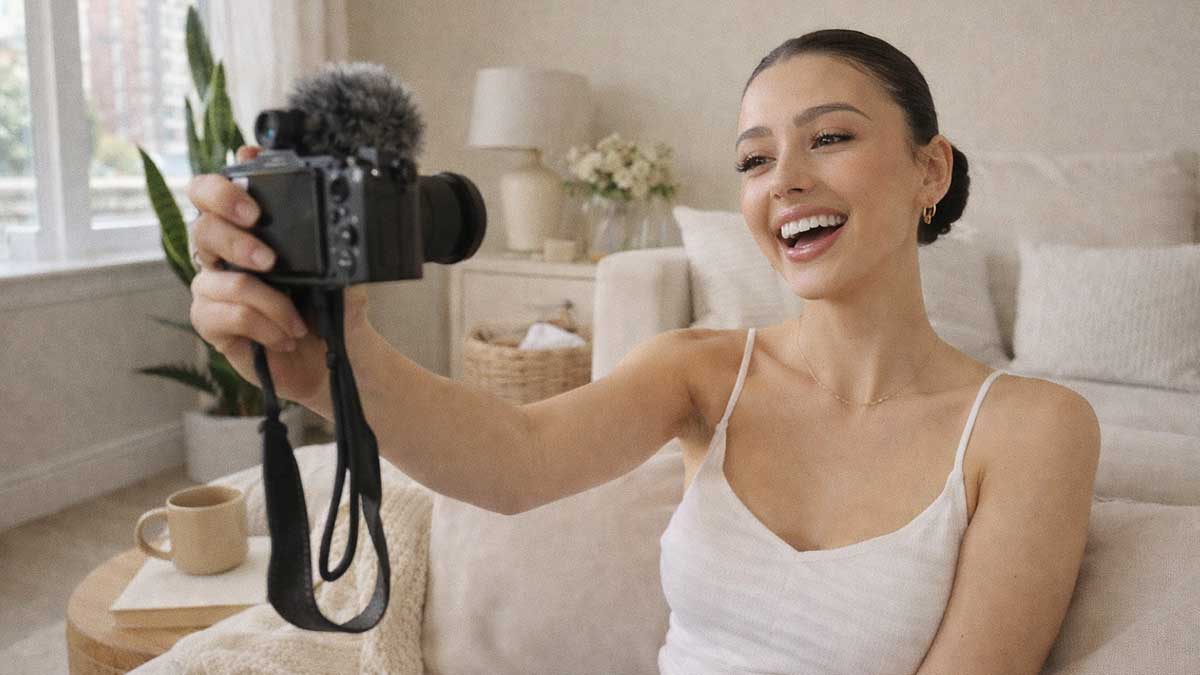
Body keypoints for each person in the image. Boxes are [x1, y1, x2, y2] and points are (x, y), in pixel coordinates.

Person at [186, 28, 1100, 675]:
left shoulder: (1031, 428)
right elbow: (514, 461)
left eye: (830, 137)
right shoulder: (701, 370)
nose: (784, 179)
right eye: (753, 159)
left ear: (929, 170)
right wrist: (328, 362)